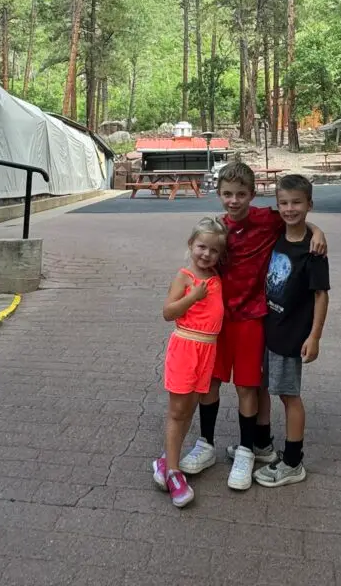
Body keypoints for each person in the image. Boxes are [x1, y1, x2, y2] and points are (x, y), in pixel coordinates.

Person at [179, 161, 328, 490]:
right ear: (218, 194)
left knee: (248, 386)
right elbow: (199, 254)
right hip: (218, 319)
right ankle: (206, 444)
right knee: (211, 383)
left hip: (252, 318)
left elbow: (296, 219)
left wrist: (318, 231)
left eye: (241, 194)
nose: (234, 201)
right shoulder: (218, 229)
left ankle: (248, 450)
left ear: (253, 194)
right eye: (228, 194)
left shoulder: (266, 219)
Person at [254, 174, 329, 487]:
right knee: (260, 386)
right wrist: (316, 227)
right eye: (283, 202)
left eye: (297, 202)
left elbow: (321, 294)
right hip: (268, 327)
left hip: (291, 335)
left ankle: (293, 461)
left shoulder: (314, 252)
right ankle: (262, 445)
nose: (289, 208)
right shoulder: (276, 235)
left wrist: (314, 336)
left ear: (309, 204)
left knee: (288, 395)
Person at [153, 217, 227, 508]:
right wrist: (193, 297)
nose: (206, 254)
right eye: (201, 247)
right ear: (190, 245)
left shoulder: (216, 277)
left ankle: (166, 460)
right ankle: (173, 472)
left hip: (208, 350)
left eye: (213, 250)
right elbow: (168, 312)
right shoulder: (185, 277)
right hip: (186, 346)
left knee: (190, 408)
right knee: (178, 410)